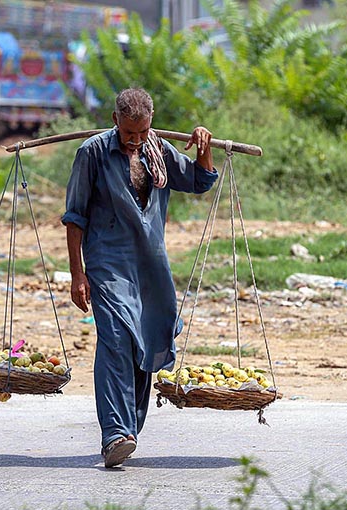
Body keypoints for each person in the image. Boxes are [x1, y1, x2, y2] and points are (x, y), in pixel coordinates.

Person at [62, 87, 218, 468]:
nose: (134, 141)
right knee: (115, 338)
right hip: (107, 262)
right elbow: (75, 216)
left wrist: (203, 144)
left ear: (150, 124)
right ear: (115, 121)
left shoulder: (159, 151)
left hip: (150, 264)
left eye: (141, 132)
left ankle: (129, 427)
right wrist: (77, 274)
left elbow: (201, 180)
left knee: (143, 344)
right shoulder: (93, 153)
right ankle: (114, 432)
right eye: (128, 133)